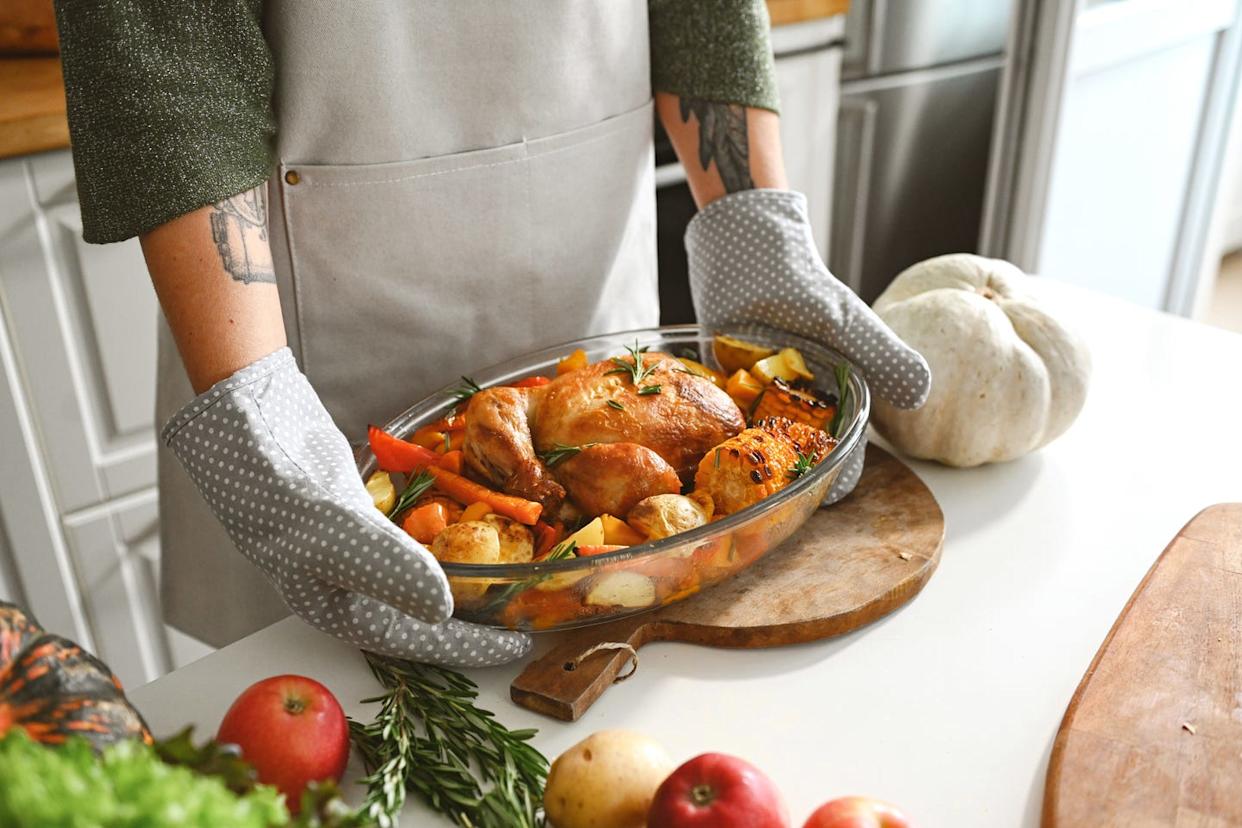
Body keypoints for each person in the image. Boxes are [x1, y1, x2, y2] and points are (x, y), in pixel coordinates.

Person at [53, 0, 930, 668]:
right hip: (296, 345)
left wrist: (753, 225)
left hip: (593, 270)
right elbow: (159, 43)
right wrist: (257, 410)